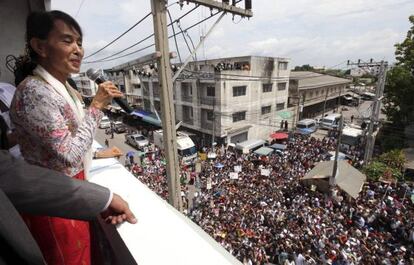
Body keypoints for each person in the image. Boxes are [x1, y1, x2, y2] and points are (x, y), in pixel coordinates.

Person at [10, 10, 123, 265]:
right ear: (40, 46)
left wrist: (95, 153)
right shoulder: (35, 92)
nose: (78, 50)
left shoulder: (62, 87)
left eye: (79, 43)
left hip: (70, 191)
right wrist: (96, 106)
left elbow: (63, 140)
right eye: (67, 40)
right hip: (54, 200)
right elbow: (68, 155)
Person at [0, 150, 137, 265]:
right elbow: (68, 153)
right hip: (52, 213)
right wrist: (94, 116)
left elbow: (7, 174)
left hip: (61, 199)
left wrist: (104, 200)